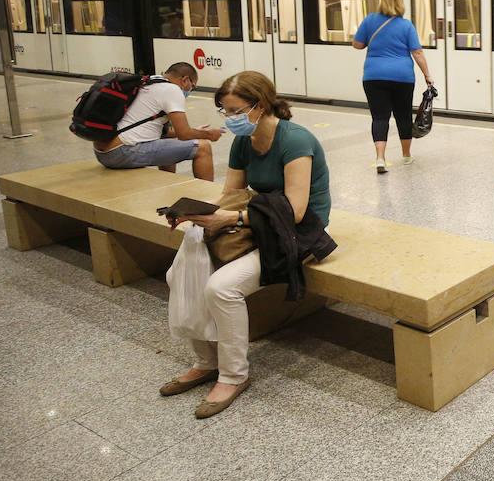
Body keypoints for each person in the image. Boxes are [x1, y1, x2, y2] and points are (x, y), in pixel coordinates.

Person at [159, 70, 333, 418]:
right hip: (257, 220)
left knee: (222, 288)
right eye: (226, 112)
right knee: (180, 270)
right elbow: (231, 196)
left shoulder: (295, 141)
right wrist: (201, 216)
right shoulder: (244, 141)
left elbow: (296, 212)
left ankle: (234, 375)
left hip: (296, 231)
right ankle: (206, 362)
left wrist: (232, 220)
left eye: (237, 111)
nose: (232, 120)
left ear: (262, 104)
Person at [92, 62, 221, 181]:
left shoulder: (148, 82)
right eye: (192, 87)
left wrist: (196, 132)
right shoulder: (173, 90)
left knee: (167, 143)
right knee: (203, 147)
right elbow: (184, 134)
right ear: (185, 80)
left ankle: (168, 184)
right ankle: (208, 200)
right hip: (122, 152)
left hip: (102, 153)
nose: (190, 91)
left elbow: (165, 133)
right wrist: (209, 135)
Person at [352, 0, 435, 173]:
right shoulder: (406, 26)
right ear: (400, 3)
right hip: (402, 77)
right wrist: (427, 75)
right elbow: (417, 52)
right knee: (403, 115)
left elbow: (357, 44)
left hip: (374, 76)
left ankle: (380, 158)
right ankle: (406, 156)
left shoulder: (369, 20)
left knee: (380, 117)